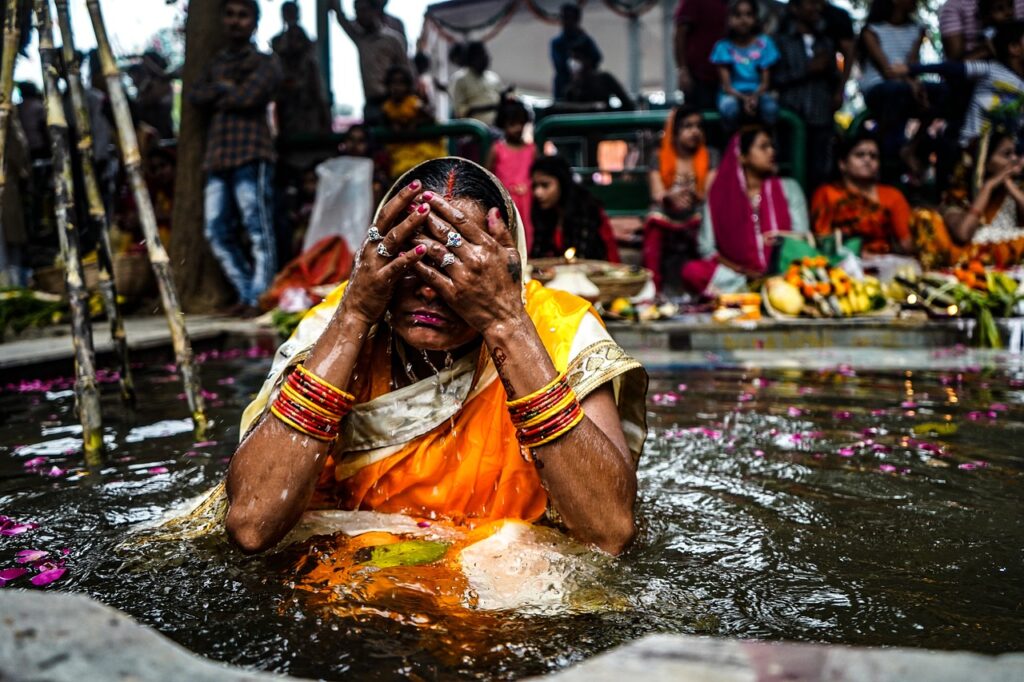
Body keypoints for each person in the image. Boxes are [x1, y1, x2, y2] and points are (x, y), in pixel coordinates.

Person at [223, 157, 647, 558]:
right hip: (360, 587)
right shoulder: (339, 322)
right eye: (412, 257)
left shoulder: (558, 327)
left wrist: (505, 324)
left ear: (505, 263)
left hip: (514, 594)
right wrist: (353, 317)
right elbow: (252, 526)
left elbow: (608, 532)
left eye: (458, 262)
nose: (429, 289)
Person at [189, 0, 282, 316]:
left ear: (254, 23)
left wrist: (223, 92)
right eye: (230, 14)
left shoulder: (266, 62)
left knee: (257, 228)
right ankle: (246, 293)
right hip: (217, 157)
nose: (235, 21)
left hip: (252, 153)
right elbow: (195, 95)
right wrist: (227, 88)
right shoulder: (215, 64)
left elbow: (250, 96)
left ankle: (260, 299)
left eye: (243, 15)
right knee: (215, 230)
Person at [680, 125, 809, 295]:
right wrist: (743, 271)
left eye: (771, 146)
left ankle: (770, 291)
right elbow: (707, 249)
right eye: (763, 147)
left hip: (786, 274)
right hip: (738, 278)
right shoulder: (718, 197)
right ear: (742, 157)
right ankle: (752, 292)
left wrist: (778, 242)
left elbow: (801, 237)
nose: (771, 152)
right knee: (692, 271)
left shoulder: (789, 188)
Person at [858, 0, 947, 182]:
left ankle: (913, 147)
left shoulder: (917, 29)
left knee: (941, 92)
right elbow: (887, 70)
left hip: (907, 87)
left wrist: (915, 84)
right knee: (896, 92)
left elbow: (910, 65)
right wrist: (911, 84)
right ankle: (888, 152)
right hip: (880, 88)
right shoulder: (871, 30)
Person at [912, 130, 1024, 268]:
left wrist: (1008, 184)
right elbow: (963, 233)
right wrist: (988, 188)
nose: (1014, 159)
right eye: (1006, 154)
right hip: (974, 269)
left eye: (1015, 153)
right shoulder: (960, 195)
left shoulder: (1015, 192)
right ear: (985, 162)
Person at [907, 21, 1024, 148]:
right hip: (970, 147)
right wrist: (910, 69)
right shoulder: (991, 69)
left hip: (1005, 154)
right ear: (1014, 47)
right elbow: (951, 68)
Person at [642, 106, 718, 292]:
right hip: (667, 212)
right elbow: (657, 193)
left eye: (698, 126)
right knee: (654, 220)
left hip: (696, 213)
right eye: (688, 126)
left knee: (708, 218)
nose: (695, 132)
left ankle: (701, 285)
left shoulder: (711, 156)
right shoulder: (659, 157)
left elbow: (708, 194)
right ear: (674, 132)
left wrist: (690, 195)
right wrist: (672, 196)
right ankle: (653, 287)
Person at [772, 0, 842, 191]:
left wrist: (829, 70)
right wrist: (808, 69)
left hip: (821, 115)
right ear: (795, 8)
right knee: (789, 169)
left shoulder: (826, 42)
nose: (816, 8)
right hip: (791, 114)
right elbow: (775, 78)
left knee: (820, 172)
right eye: (810, 3)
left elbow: (835, 77)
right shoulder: (781, 41)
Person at [811, 133, 913, 255]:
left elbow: (906, 242)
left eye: (873, 156)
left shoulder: (892, 196)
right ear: (842, 164)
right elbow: (822, 240)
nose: (867, 160)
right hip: (839, 262)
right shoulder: (827, 193)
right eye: (860, 155)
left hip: (883, 262)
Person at [329, 0, 408, 125]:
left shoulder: (393, 40)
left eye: (363, 10)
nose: (360, 15)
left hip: (393, 101)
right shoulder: (361, 39)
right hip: (371, 103)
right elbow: (341, 17)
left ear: (375, 11)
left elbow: (406, 71)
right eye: (357, 11)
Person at [530, 155, 621, 262]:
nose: (538, 193)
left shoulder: (587, 209)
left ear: (562, 183)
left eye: (545, 185)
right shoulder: (542, 213)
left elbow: (603, 254)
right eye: (535, 186)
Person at [710, 0, 780, 129]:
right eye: (738, 15)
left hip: (759, 93)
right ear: (729, 19)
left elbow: (765, 83)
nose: (743, 20)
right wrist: (744, 99)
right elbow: (727, 86)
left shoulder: (765, 43)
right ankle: (733, 146)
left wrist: (754, 97)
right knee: (729, 108)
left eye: (749, 15)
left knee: (770, 108)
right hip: (732, 94)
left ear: (755, 18)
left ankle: (767, 143)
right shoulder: (723, 47)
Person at [272, 1, 331, 138]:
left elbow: (318, 89)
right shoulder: (279, 44)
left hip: (307, 107)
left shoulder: (307, 50)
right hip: (288, 108)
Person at [380, 65, 446, 179]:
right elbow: (384, 122)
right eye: (393, 83)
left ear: (408, 86)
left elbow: (430, 117)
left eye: (401, 83)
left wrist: (416, 123)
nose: (397, 87)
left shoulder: (413, 102)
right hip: (401, 151)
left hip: (420, 149)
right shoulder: (387, 107)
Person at [487, 99, 537, 251]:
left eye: (521, 123)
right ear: (504, 125)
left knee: (528, 234)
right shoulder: (497, 150)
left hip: (528, 203)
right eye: (512, 124)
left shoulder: (532, 150)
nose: (518, 128)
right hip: (506, 202)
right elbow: (488, 175)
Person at [674, 0, 730, 110]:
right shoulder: (691, 3)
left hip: (727, 78)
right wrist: (683, 70)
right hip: (698, 78)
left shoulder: (728, 4)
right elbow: (679, 35)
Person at [551, 3, 603, 100]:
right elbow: (560, 66)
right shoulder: (557, 43)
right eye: (563, 18)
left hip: (586, 89)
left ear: (576, 19)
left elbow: (597, 58)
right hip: (563, 88)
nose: (565, 22)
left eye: (569, 18)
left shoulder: (585, 40)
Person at [562, 43, 636, 112]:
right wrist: (592, 106)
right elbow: (567, 108)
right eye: (571, 58)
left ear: (588, 60)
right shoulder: (571, 84)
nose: (573, 63)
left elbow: (627, 104)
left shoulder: (604, 79)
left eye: (577, 58)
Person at [450, 41, 503, 126]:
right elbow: (461, 112)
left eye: (486, 55)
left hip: (499, 125)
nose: (486, 58)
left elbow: (502, 99)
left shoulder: (493, 77)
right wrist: (489, 107)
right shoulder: (460, 79)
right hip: (475, 130)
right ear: (471, 59)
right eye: (481, 56)